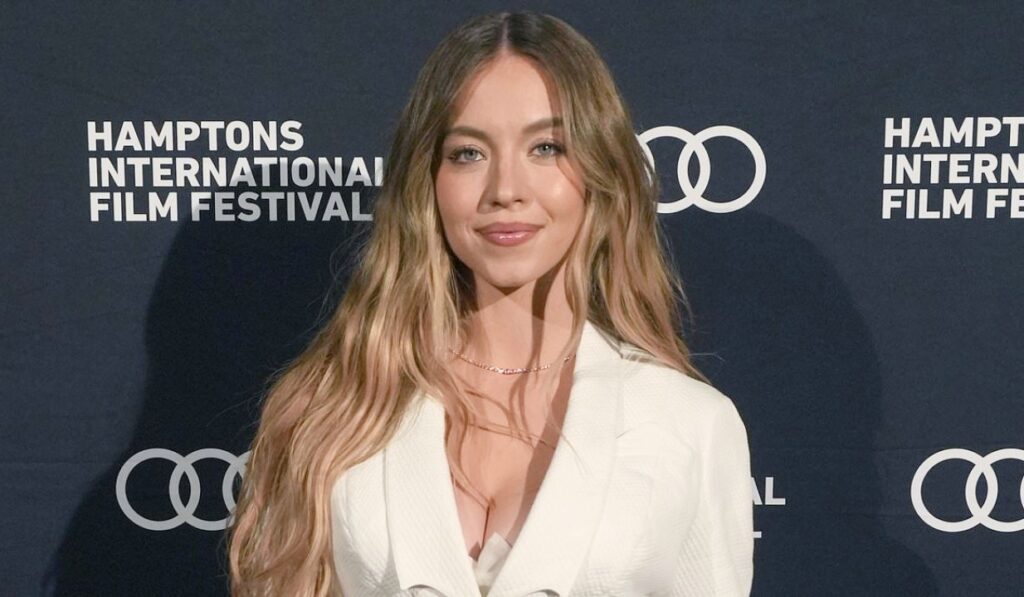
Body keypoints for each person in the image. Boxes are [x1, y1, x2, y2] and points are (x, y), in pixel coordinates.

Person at [228, 10, 753, 597]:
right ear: (427, 180)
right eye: (468, 153)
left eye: (547, 148)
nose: (505, 190)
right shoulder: (331, 406)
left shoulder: (690, 425)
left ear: (601, 173)